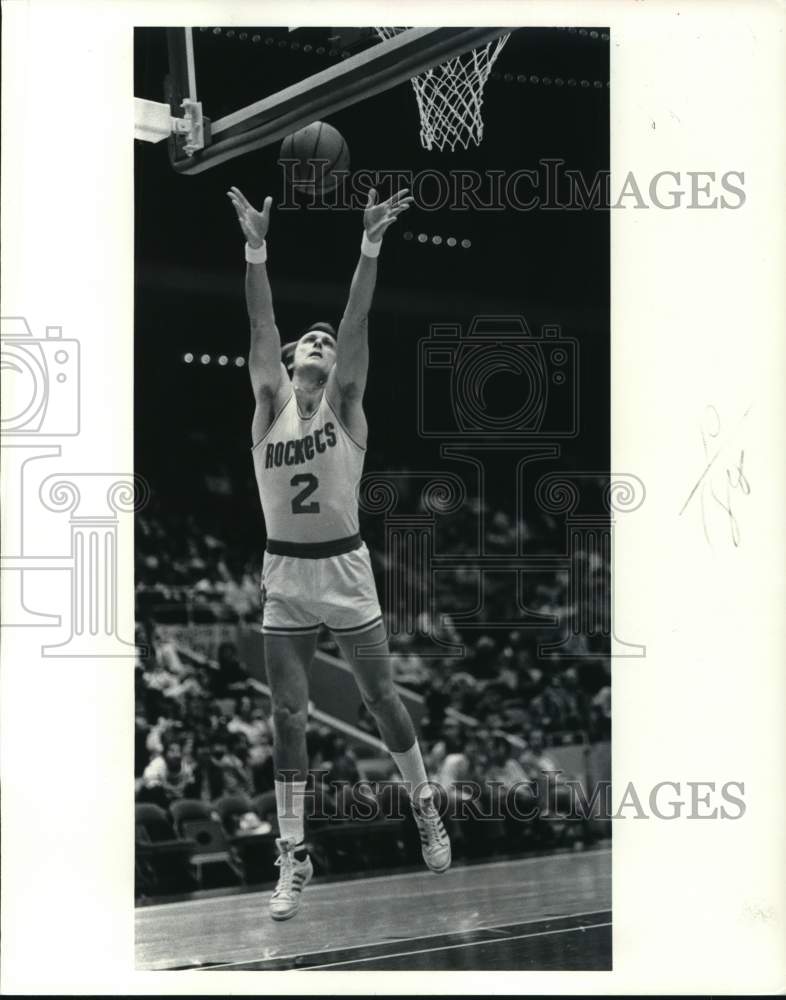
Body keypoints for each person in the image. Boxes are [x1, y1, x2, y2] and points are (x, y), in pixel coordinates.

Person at [227, 183, 451, 921]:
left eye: (328, 342)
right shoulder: (270, 401)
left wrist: (370, 245)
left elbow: (357, 321)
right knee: (288, 717)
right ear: (292, 362)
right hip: (287, 571)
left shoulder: (348, 405)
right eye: (310, 341)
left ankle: (424, 803)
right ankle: (294, 854)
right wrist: (256, 249)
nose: (322, 342)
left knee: (381, 698)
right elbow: (261, 323)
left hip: (347, 568)